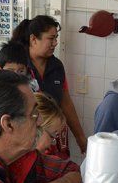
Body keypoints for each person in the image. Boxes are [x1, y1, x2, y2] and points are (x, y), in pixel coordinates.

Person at [12, 15, 86, 157]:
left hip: (54, 136)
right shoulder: (18, 66)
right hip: (27, 138)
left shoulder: (57, 66)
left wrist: (80, 138)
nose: (55, 43)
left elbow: (65, 102)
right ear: (34, 39)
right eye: (51, 38)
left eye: (56, 38)